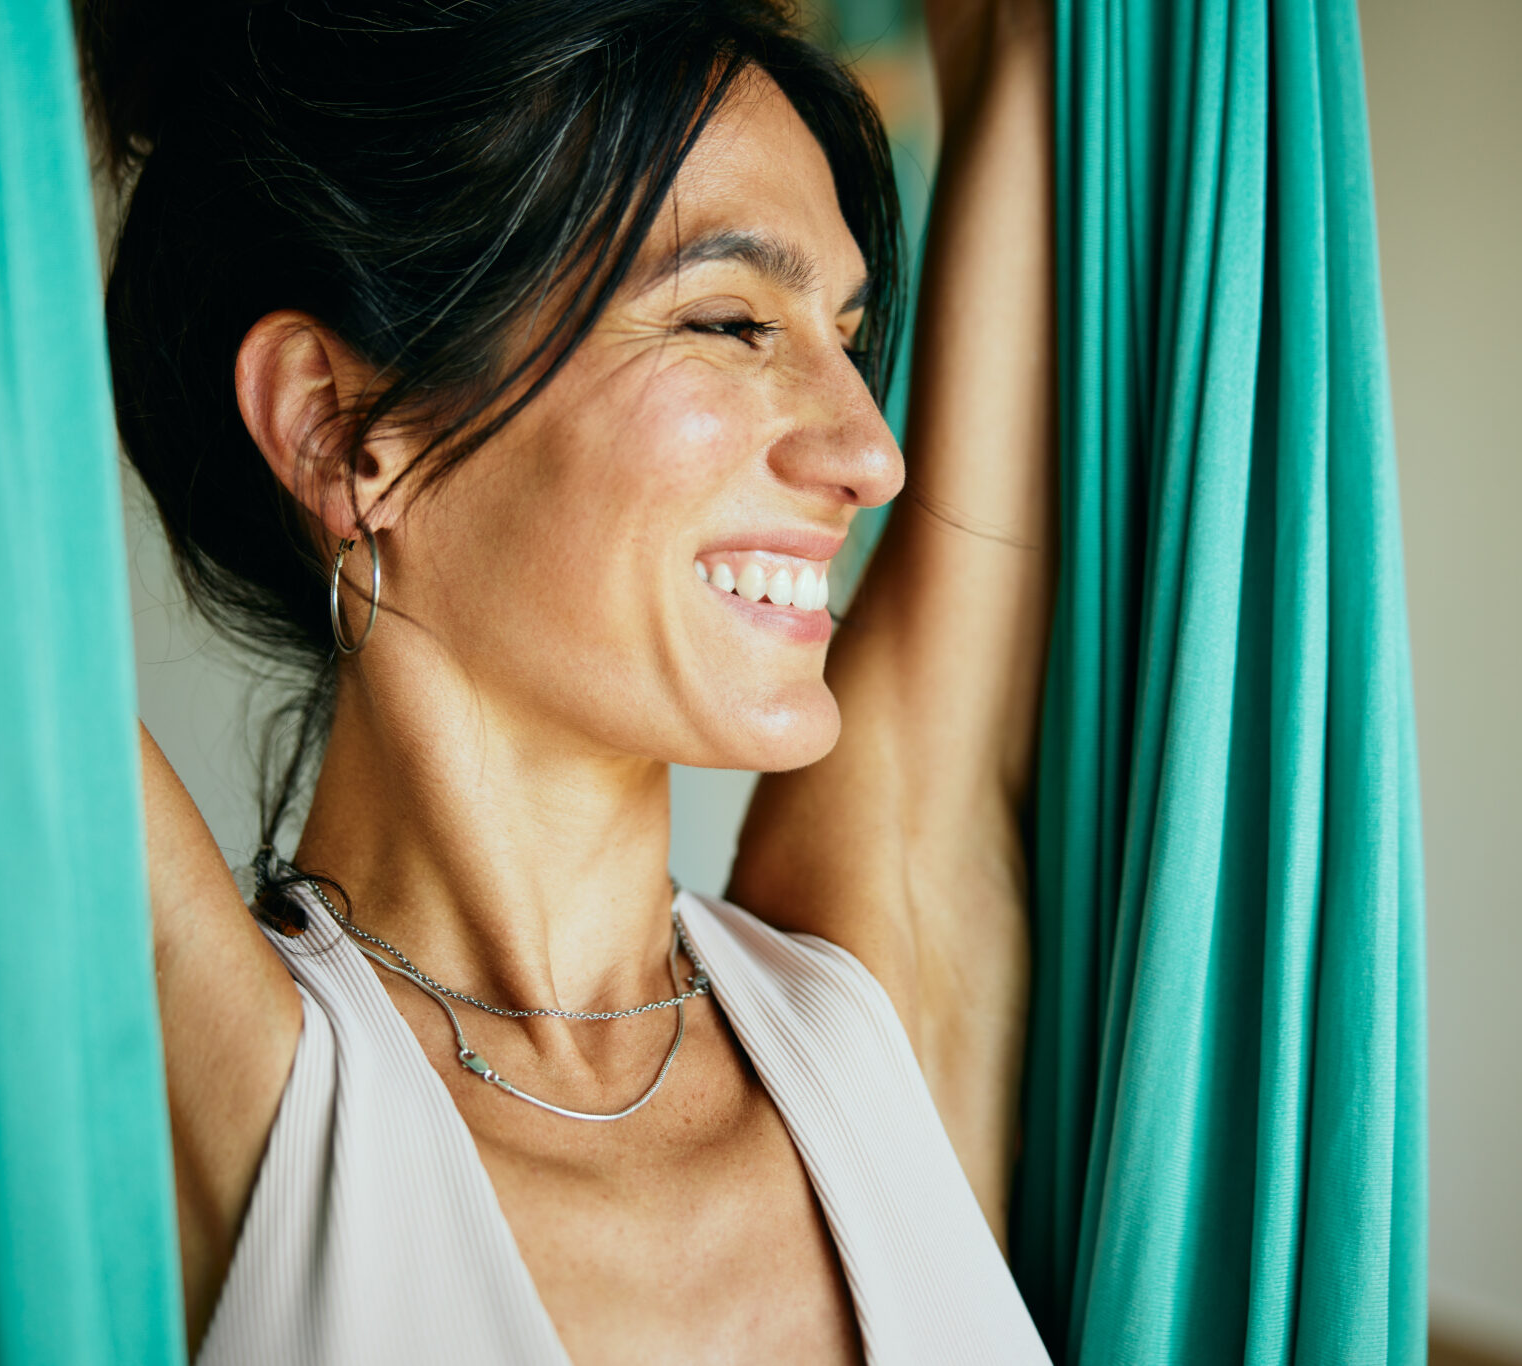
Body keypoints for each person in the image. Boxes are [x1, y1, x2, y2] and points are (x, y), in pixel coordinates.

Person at [90, 0, 1053, 1358]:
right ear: (341, 429)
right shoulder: (201, 1078)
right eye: (728, 320)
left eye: (845, 331)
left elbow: (1034, 40)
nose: (872, 454)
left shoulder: (866, 1011)